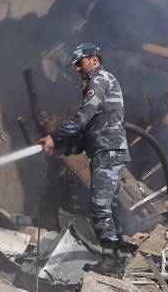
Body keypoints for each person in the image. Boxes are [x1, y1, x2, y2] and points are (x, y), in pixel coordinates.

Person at [39, 43, 134, 273]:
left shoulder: (99, 80)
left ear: (94, 60)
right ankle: (117, 257)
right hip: (107, 150)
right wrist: (67, 148)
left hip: (107, 151)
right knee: (109, 207)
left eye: (80, 63)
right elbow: (92, 127)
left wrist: (55, 136)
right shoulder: (102, 81)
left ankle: (111, 261)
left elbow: (83, 118)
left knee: (100, 206)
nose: (77, 70)